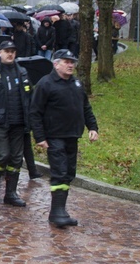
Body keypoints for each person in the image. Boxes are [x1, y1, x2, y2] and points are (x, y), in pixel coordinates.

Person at [29, 49, 99, 227]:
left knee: (69, 173)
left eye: (72, 62)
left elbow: (85, 107)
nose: (70, 65)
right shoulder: (45, 84)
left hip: (72, 135)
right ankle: (57, 211)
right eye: (66, 62)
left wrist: (92, 127)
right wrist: (39, 136)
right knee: (59, 172)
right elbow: (35, 112)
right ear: (56, 63)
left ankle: (60, 209)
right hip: (54, 136)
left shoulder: (76, 83)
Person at [0, 40, 32, 207]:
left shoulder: (22, 72)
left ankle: (10, 193)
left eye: (13, 51)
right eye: (7, 51)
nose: (10, 54)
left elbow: (29, 96)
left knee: (16, 159)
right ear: (0, 53)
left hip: (19, 123)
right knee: (3, 155)